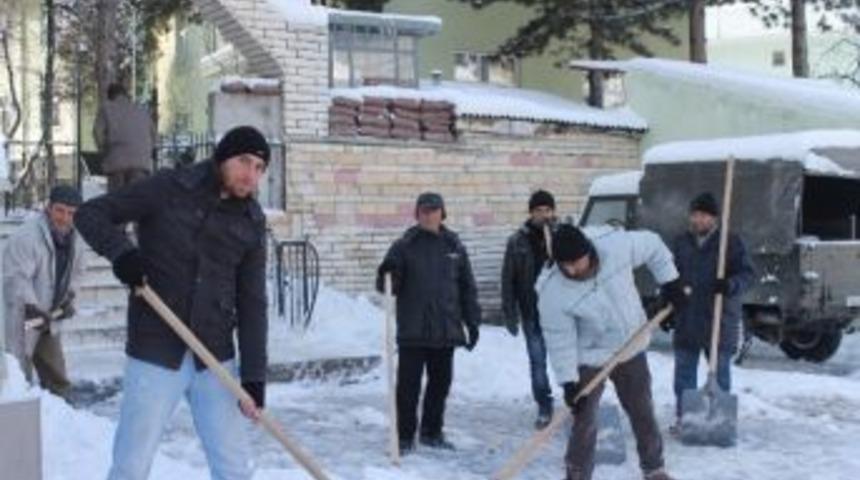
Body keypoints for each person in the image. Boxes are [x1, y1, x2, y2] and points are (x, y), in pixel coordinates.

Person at [74, 126, 270, 480]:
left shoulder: (252, 222)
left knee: (234, 469)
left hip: (215, 357)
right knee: (131, 466)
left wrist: (254, 377)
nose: (251, 174)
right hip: (156, 349)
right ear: (223, 157)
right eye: (244, 161)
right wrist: (123, 254)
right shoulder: (168, 188)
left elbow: (253, 303)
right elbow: (89, 214)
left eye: (259, 168)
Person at [537, 223, 686, 480]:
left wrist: (670, 282)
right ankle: (577, 474)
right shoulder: (552, 292)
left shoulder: (615, 246)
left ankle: (654, 468)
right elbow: (560, 340)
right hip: (589, 355)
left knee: (642, 409)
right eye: (564, 265)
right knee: (584, 418)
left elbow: (653, 245)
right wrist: (569, 382)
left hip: (630, 344)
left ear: (588, 251)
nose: (571, 270)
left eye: (575, 262)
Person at [376, 192, 481, 454]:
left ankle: (432, 432)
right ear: (417, 214)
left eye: (433, 210)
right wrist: (387, 272)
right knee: (408, 389)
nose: (429, 215)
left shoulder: (454, 245)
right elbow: (387, 286)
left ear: (442, 213)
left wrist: (473, 322)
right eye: (424, 210)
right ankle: (404, 437)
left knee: (440, 385)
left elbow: (467, 287)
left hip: (445, 329)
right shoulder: (404, 246)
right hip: (413, 330)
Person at [666, 192, 754, 429]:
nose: (698, 220)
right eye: (695, 215)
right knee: (683, 375)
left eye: (704, 215)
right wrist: (667, 298)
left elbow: (747, 275)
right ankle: (685, 419)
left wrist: (729, 285)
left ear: (714, 218)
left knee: (720, 375)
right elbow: (670, 274)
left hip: (719, 320)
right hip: (687, 319)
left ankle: (718, 422)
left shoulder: (730, 242)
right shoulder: (682, 242)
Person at [2, 185, 85, 398]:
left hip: (49, 316)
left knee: (57, 375)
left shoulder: (76, 239)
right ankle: (21, 408)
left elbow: (77, 273)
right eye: (60, 210)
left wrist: (70, 299)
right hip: (25, 316)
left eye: (71, 213)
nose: (65, 218)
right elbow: (16, 277)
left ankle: (64, 411)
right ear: (49, 208)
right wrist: (30, 306)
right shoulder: (27, 237)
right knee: (19, 372)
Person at [501, 189, 556, 429]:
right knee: (537, 362)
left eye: (547, 210)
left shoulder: (562, 235)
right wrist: (510, 313)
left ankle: (577, 400)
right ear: (531, 213)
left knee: (570, 360)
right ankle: (544, 405)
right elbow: (508, 279)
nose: (543, 215)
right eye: (539, 211)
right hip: (532, 312)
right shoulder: (517, 241)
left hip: (561, 314)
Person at [93, 83, 156, 192]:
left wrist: (104, 150)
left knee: (117, 198)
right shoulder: (142, 110)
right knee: (136, 197)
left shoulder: (106, 109)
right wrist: (146, 151)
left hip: (116, 162)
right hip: (141, 163)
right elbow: (153, 135)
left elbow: (97, 133)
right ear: (126, 95)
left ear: (110, 96)